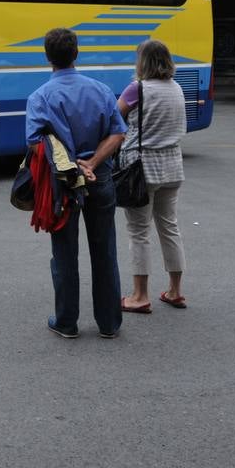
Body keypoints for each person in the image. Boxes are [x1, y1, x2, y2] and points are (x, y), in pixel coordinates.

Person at [26, 27, 127, 339]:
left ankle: (67, 321)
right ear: (76, 54)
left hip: (63, 184)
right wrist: (92, 162)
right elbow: (118, 132)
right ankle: (109, 323)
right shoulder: (101, 90)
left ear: (47, 57)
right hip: (100, 176)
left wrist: (71, 164)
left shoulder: (40, 97)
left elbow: (35, 143)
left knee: (65, 252)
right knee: (105, 249)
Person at [115, 39, 188, 314]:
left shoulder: (137, 89)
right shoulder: (176, 87)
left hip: (142, 168)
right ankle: (175, 290)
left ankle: (140, 295)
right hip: (173, 165)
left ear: (142, 62)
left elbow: (114, 116)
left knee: (139, 232)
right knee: (170, 227)